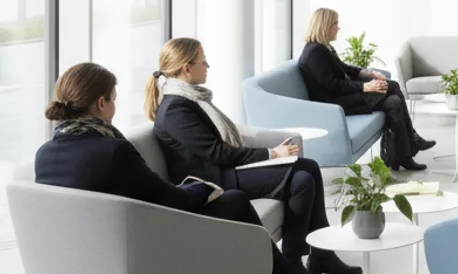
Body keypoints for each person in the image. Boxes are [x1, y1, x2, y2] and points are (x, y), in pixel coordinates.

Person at [35, 63, 306, 274]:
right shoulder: (113, 151)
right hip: (147, 240)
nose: (114, 108)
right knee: (235, 200)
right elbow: (170, 200)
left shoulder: (43, 155)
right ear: (101, 103)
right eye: (114, 100)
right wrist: (202, 187)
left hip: (92, 249)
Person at [148, 38, 360, 274]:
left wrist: (271, 154)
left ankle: (316, 257)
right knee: (303, 174)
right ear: (186, 68)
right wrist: (271, 154)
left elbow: (219, 146)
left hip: (224, 171)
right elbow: (217, 153)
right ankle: (303, 260)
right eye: (203, 61)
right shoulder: (176, 109)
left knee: (306, 173)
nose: (207, 65)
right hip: (212, 180)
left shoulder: (190, 100)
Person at [298, 8, 434, 171]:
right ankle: (409, 145)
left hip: (342, 97)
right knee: (394, 88)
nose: (338, 28)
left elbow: (344, 68)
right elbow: (332, 84)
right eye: (335, 24)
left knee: (394, 101)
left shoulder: (323, 47)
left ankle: (402, 155)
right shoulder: (314, 53)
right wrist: (365, 86)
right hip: (335, 104)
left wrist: (368, 73)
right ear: (324, 26)